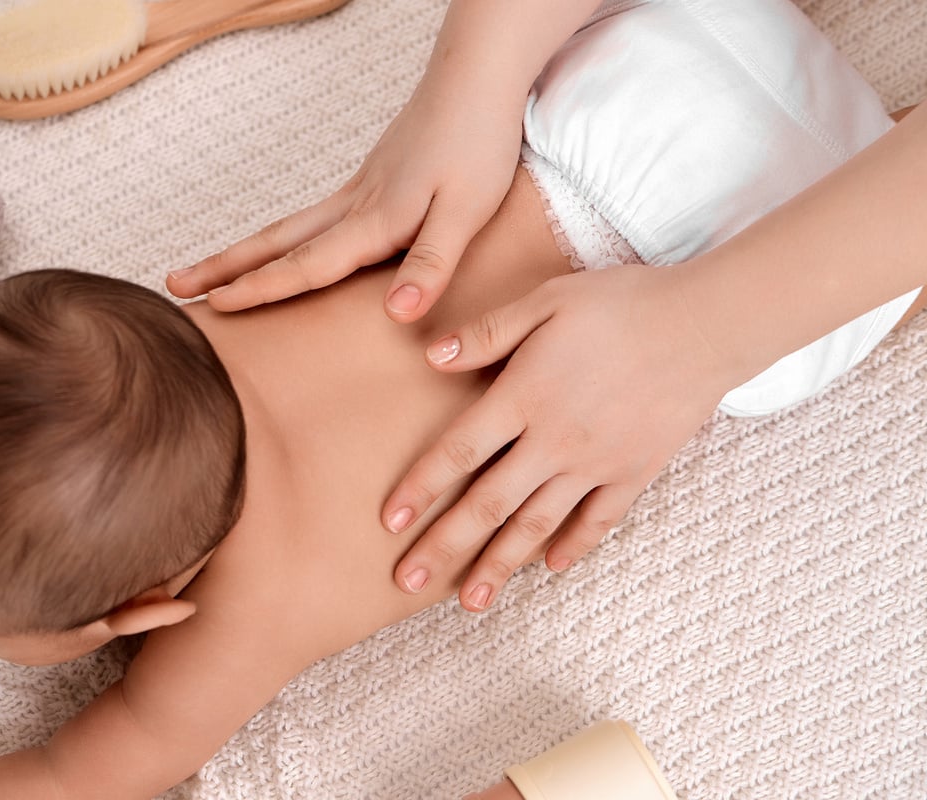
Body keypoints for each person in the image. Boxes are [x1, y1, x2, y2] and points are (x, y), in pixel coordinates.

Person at [0, 2, 922, 800]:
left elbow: (75, 774)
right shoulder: (172, 328)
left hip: (749, 251)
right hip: (643, 78)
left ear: (139, 613)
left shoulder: (245, 614)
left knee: (789, 368)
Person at [169, 0, 927, 614]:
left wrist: (697, 337)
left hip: (756, 245)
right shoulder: (160, 345)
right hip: (631, 98)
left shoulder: (253, 605)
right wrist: (470, 86)